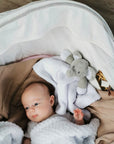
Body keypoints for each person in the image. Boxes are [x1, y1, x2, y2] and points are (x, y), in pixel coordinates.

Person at [21, 82, 98, 144]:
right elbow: (28, 139)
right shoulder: (31, 125)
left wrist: (79, 120)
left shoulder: (62, 116)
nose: (31, 110)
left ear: (51, 101)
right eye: (26, 108)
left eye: (35, 104)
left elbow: (77, 130)